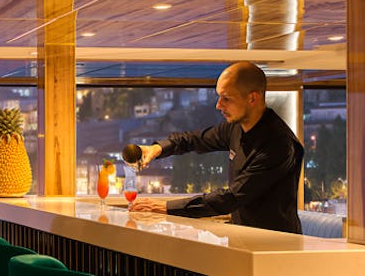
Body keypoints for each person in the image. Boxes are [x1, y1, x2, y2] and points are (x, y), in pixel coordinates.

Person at [127, 61, 304, 234]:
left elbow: (231, 198)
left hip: (276, 242)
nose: (218, 105)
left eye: (226, 98)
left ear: (252, 98)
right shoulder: (236, 128)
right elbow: (193, 140)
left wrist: (166, 207)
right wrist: (156, 149)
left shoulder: (277, 144)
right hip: (244, 236)